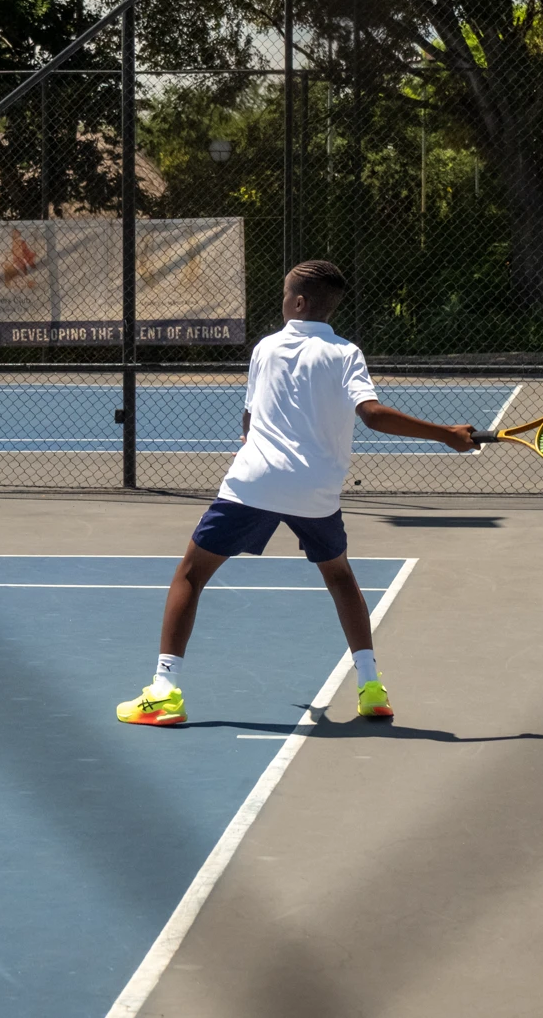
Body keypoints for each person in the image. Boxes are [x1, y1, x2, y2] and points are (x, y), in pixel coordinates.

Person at [116, 259, 476, 727]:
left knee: (190, 574)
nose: (282, 302)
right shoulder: (347, 353)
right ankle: (371, 689)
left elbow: (248, 423)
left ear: (299, 303)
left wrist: (259, 445)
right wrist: (445, 434)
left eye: (286, 295)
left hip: (254, 483)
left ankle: (164, 692)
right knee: (341, 577)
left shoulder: (265, 348)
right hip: (317, 493)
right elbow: (372, 414)